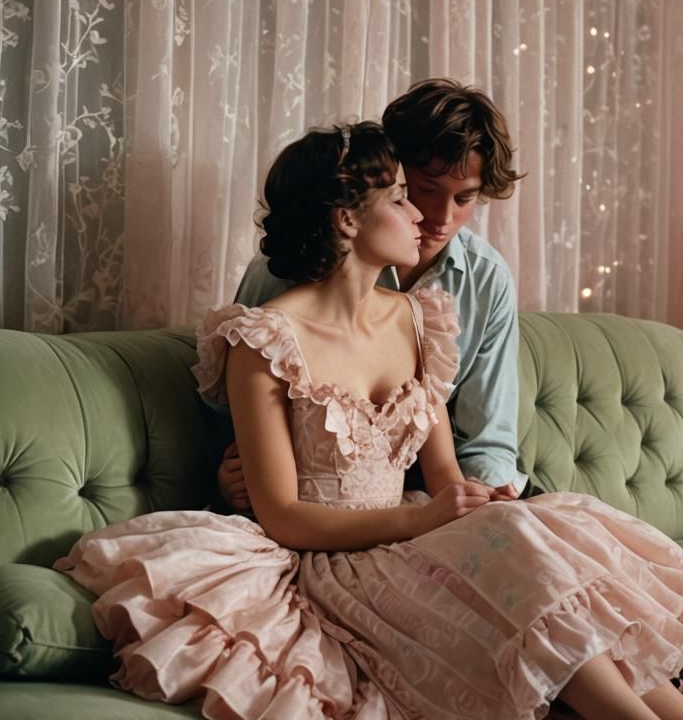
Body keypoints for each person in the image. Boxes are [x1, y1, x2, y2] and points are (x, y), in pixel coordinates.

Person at [56, 122, 683, 720]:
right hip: (332, 555)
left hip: (422, 527)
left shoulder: (420, 321)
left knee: (546, 527)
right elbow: (287, 518)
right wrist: (430, 518)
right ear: (347, 218)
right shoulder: (261, 338)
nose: (424, 218)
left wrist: (465, 507)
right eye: (404, 199)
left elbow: (445, 472)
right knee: (513, 543)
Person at [217, 78, 527, 512]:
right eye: (420, 191)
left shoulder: (462, 295)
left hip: (430, 500)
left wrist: (481, 504)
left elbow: (486, 440)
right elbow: (237, 419)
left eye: (465, 198)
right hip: (312, 508)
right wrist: (232, 470)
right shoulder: (281, 281)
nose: (437, 217)